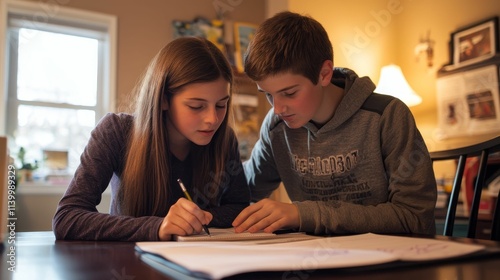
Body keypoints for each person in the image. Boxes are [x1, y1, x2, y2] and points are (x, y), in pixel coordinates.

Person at [232, 11, 437, 236]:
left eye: (289, 93)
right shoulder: (276, 128)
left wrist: (304, 214)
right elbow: (241, 189)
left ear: (324, 74)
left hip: (387, 261)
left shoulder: (387, 116)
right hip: (313, 261)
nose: (278, 108)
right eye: (268, 95)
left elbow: (415, 218)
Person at [53, 37, 250, 241]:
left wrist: (201, 218)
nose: (213, 119)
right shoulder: (115, 132)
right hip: (128, 264)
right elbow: (67, 218)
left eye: (221, 105)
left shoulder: (225, 139)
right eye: (196, 106)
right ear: (164, 99)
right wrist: (158, 226)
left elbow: (239, 208)